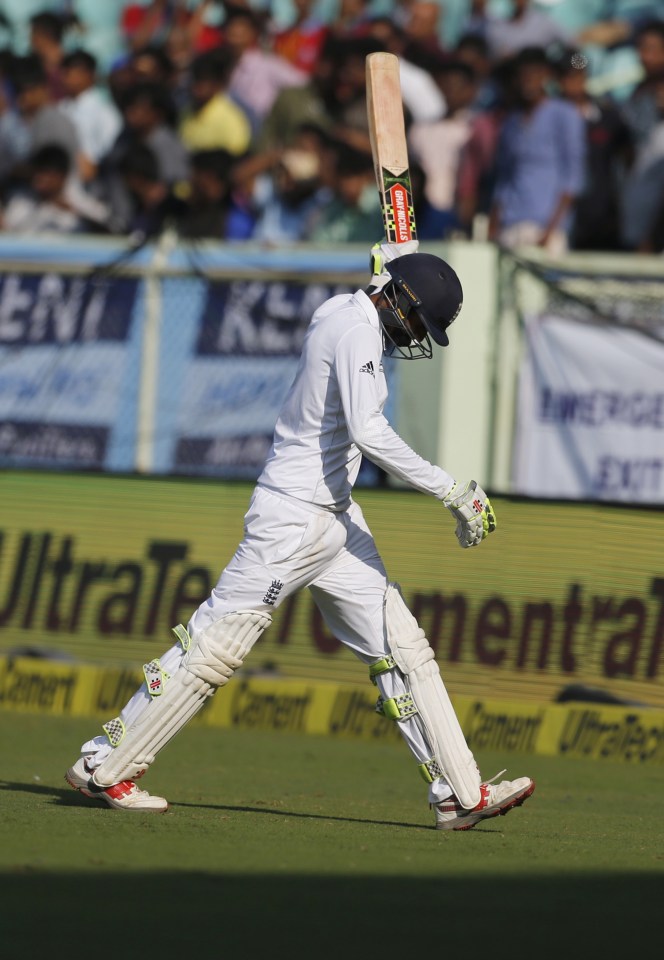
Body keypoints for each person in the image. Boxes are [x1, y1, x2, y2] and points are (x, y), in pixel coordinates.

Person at [64, 241, 535, 831]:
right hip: (292, 517)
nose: (416, 334)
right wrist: (452, 491)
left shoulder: (342, 309)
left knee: (403, 648)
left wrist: (392, 263)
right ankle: (105, 766)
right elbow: (369, 432)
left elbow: (366, 303)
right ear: (396, 299)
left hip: (335, 518)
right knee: (214, 648)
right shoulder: (356, 332)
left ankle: (459, 793)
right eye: (417, 319)